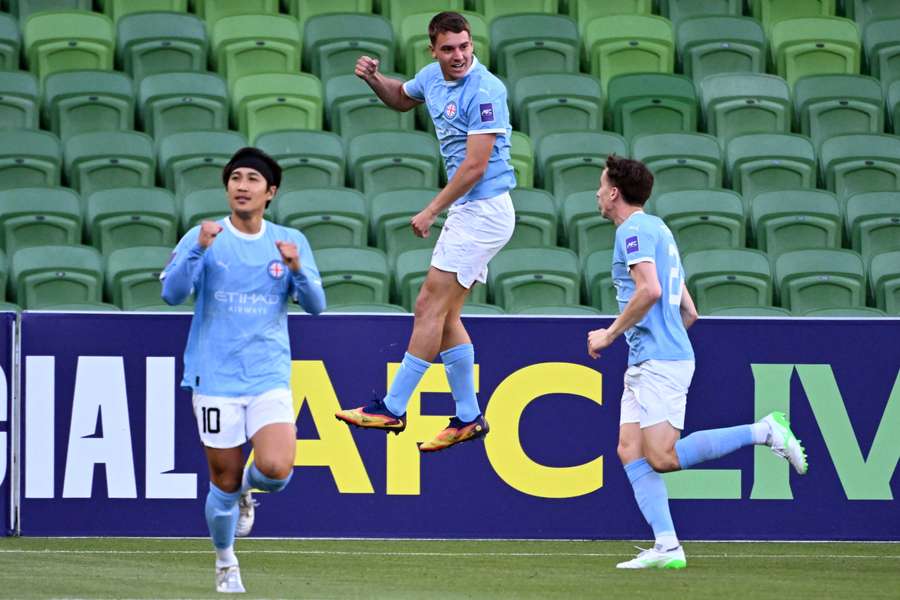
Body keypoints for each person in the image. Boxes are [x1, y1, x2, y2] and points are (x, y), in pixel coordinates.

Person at [587, 155, 808, 570]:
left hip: (657, 360)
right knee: (628, 449)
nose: (597, 193)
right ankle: (667, 546)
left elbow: (651, 289)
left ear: (614, 192)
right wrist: (668, 331)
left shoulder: (632, 229)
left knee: (662, 457)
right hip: (651, 358)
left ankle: (765, 430)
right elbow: (690, 309)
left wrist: (609, 334)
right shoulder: (658, 228)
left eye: (601, 186)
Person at [334, 11, 516, 452]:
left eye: (465, 47)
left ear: (472, 45)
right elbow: (401, 98)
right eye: (449, 49)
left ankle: (393, 407)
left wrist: (432, 209)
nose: (458, 56)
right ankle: (468, 417)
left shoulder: (487, 89)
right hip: (473, 212)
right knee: (446, 316)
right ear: (432, 50)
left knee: (426, 306)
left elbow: (476, 165)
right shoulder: (431, 78)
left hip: (483, 210)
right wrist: (375, 80)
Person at [160, 147, 326, 593]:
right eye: (236, 178)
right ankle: (225, 559)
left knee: (276, 468)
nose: (242, 186)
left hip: (268, 374)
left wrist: (297, 270)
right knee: (223, 481)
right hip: (214, 377)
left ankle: (250, 493)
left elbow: (316, 306)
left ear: (270, 192)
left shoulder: (288, 241)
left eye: (253, 179)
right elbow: (172, 295)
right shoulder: (205, 235)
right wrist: (196, 249)